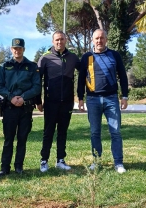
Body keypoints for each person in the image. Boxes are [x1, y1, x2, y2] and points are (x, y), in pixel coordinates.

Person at [77, 29, 129, 174]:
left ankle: (118, 163)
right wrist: (80, 98)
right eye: (96, 38)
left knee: (116, 132)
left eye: (101, 38)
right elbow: (81, 79)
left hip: (111, 99)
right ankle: (96, 161)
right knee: (94, 132)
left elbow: (123, 76)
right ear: (92, 40)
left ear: (106, 39)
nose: (99, 41)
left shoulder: (114, 55)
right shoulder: (86, 56)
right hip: (92, 99)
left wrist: (124, 96)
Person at [0, 38, 41, 177]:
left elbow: (37, 87)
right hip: (9, 108)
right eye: (15, 48)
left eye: (19, 48)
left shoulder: (32, 66)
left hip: (25, 108)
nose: (17, 50)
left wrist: (23, 97)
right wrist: (11, 97)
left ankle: (19, 166)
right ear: (11, 49)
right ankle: (4, 167)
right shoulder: (5, 66)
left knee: (22, 138)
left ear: (24, 49)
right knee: (8, 139)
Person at [36, 30, 80, 172]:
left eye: (61, 39)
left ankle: (60, 160)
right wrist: (38, 101)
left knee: (63, 132)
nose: (59, 42)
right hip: (50, 102)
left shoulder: (73, 57)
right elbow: (37, 80)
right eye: (56, 40)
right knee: (48, 132)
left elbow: (85, 72)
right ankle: (44, 160)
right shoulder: (45, 58)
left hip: (67, 102)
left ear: (66, 40)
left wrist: (80, 96)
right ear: (52, 41)